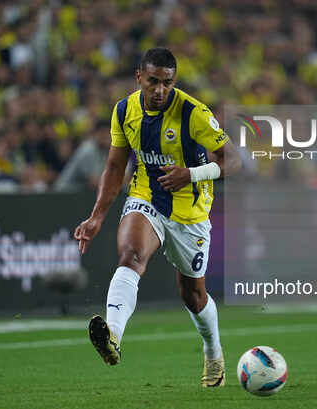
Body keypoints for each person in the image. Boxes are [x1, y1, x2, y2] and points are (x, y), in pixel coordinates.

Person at [74, 47, 242, 387]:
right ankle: (114, 337)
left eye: (167, 83)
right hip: (146, 198)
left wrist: (192, 175)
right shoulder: (124, 111)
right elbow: (115, 166)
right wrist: (96, 217)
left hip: (190, 211)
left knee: (192, 296)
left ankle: (213, 352)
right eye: (153, 81)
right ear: (139, 77)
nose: (160, 90)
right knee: (131, 255)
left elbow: (233, 161)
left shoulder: (193, 113)